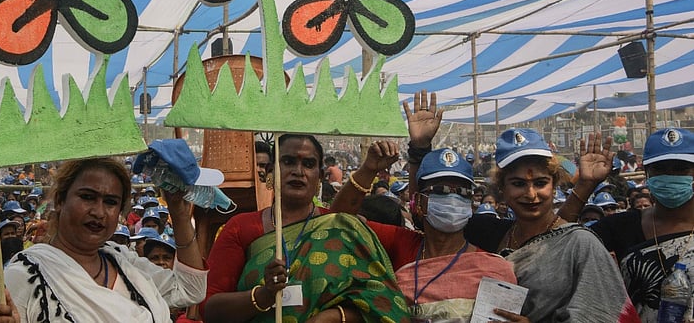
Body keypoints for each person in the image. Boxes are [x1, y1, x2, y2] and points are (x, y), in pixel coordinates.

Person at [203, 134, 409, 323]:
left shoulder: (342, 227)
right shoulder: (241, 228)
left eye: (308, 164)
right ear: (269, 172)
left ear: (320, 176)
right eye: (288, 161)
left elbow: (379, 299)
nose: (298, 171)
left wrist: (335, 316)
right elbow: (210, 310)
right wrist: (264, 295)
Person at [0, 157, 207, 322]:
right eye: (87, 197)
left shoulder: (124, 262)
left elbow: (191, 290)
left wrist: (179, 213)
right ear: (60, 201)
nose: (99, 212)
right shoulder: (23, 276)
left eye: (110, 202)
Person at [464, 128, 639, 322]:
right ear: (502, 189)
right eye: (518, 184)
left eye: (540, 183)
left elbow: (603, 315)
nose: (531, 194)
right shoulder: (492, 235)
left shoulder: (580, 244)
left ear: (554, 186)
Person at [575, 128, 694, 322]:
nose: (670, 175)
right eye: (660, 168)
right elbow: (557, 245)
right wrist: (585, 185)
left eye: (680, 169)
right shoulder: (617, 227)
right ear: (647, 174)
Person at [394, 148, 516, 321]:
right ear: (420, 201)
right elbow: (344, 222)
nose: (452, 198)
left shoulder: (495, 271)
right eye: (441, 190)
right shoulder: (398, 247)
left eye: (462, 192)